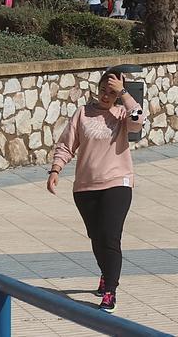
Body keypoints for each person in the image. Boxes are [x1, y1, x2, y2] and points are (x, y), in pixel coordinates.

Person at [47, 67, 144, 313]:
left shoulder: (123, 114)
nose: (105, 96)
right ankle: (105, 273)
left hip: (118, 182)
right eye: (103, 90)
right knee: (97, 237)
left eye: (111, 92)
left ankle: (110, 289)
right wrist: (56, 170)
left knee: (110, 236)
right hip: (85, 187)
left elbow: (138, 121)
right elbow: (67, 145)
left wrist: (124, 93)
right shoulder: (83, 113)